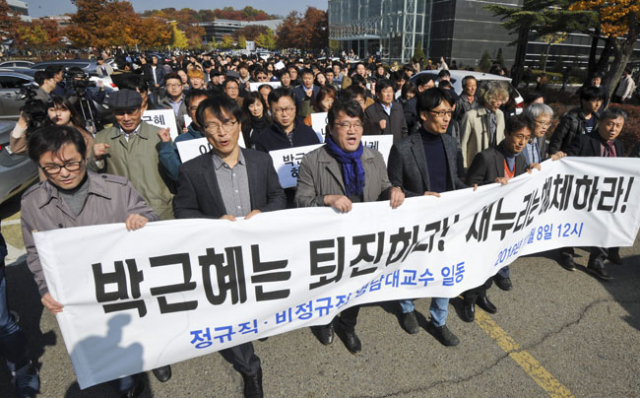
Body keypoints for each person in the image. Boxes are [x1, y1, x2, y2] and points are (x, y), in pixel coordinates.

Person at [20, 125, 170, 398]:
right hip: (77, 299)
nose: (64, 173)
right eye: (52, 167)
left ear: (84, 153)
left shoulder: (118, 188)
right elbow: (34, 252)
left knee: (131, 342)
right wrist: (44, 289)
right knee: (99, 361)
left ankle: (145, 367)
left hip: (121, 290)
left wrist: (143, 220)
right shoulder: (32, 203)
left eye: (71, 163)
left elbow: (149, 216)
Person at [173, 95, 286, 398]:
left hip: (260, 253)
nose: (221, 132)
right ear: (202, 129)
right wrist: (212, 223)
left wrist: (264, 213)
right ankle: (250, 369)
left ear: (239, 124)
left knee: (259, 302)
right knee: (231, 315)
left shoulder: (261, 161)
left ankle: (259, 325)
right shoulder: (192, 170)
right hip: (222, 259)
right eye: (212, 125)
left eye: (228, 124)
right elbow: (182, 211)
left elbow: (277, 196)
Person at [295, 98, 405, 354]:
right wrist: (326, 199)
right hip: (328, 242)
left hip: (363, 239)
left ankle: (347, 325)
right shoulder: (313, 160)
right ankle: (324, 322)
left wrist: (394, 190)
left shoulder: (373, 156)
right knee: (327, 287)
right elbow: (300, 201)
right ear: (331, 128)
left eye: (357, 124)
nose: (352, 130)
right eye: (344, 124)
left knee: (355, 288)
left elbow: (384, 186)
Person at [387, 88, 466, 347]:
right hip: (416, 222)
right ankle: (407, 308)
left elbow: (456, 179)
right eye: (440, 113)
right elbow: (393, 189)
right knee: (411, 266)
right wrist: (420, 195)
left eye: (448, 113)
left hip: (447, 220)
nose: (446, 119)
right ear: (423, 114)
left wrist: (480, 189)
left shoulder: (451, 142)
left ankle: (438, 321)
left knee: (445, 271)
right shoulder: (402, 149)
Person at [461, 115, 541, 321]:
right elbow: (467, 188)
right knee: (477, 262)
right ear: (506, 133)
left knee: (494, 263)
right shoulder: (486, 157)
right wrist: (491, 183)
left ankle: (482, 294)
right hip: (483, 223)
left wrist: (531, 173)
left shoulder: (522, 159)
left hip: (505, 223)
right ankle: (469, 300)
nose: (522, 142)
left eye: (527, 137)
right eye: (518, 136)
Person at [90, 89, 174, 220]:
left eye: (131, 112)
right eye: (120, 113)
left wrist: (167, 145)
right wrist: (94, 159)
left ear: (141, 109)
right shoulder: (102, 138)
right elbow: (91, 178)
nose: (126, 118)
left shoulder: (159, 136)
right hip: (121, 212)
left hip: (158, 210)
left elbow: (175, 173)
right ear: (113, 113)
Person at [564, 108, 628, 279]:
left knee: (605, 226)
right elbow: (568, 162)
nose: (613, 129)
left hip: (606, 196)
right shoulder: (583, 140)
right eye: (610, 124)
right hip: (582, 194)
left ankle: (596, 262)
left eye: (618, 126)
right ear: (600, 123)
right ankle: (566, 253)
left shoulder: (619, 146)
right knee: (574, 225)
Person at [158, 89, 211, 181]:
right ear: (188, 112)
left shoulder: (224, 134)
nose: (199, 111)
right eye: (194, 108)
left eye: (203, 106)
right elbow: (177, 174)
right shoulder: (181, 141)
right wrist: (166, 147)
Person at [460, 81, 509, 168]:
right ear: (486, 97)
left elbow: (503, 140)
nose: (499, 103)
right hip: (475, 167)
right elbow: (462, 145)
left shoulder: (500, 114)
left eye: (501, 100)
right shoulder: (470, 116)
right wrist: (463, 169)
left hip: (495, 165)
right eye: (496, 99)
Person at [548, 86, 604, 155]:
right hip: (570, 157)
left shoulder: (599, 120)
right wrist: (554, 154)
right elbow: (557, 139)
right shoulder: (570, 119)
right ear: (584, 101)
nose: (598, 104)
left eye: (600, 101)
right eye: (594, 100)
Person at [364, 78, 409, 143]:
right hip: (380, 150)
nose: (389, 94)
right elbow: (365, 133)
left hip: (397, 149)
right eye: (385, 91)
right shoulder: (369, 111)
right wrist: (377, 126)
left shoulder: (398, 107)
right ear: (377, 94)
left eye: (390, 91)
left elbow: (404, 130)